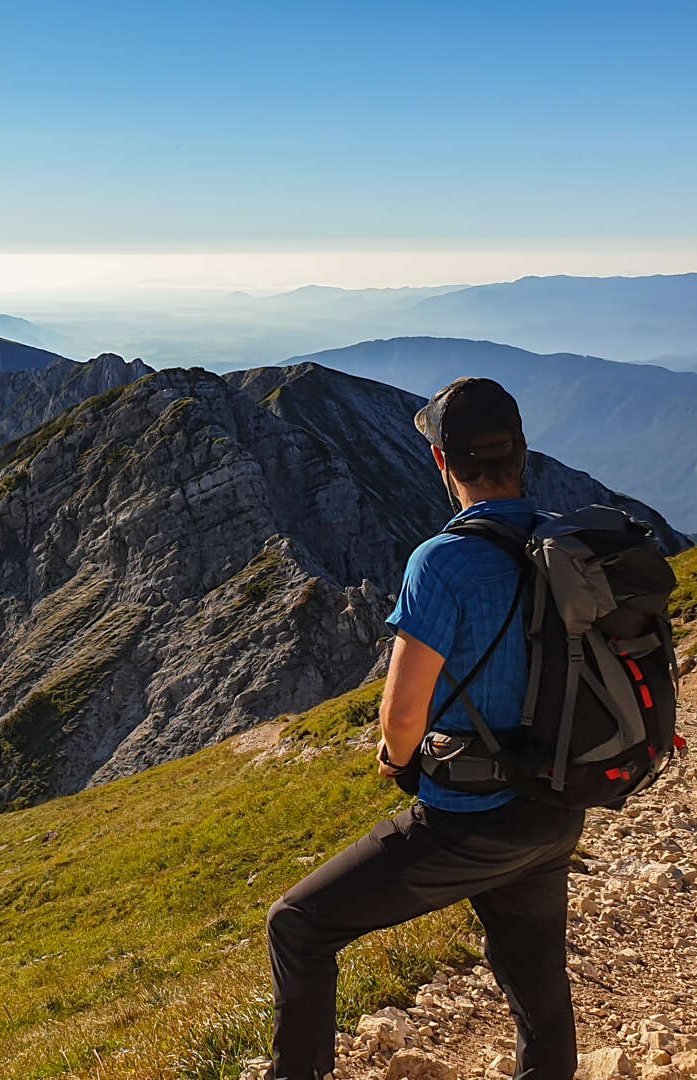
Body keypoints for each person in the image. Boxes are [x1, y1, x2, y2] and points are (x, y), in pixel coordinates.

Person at [265, 377, 586, 1080]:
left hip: (467, 820)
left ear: (442, 464)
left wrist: (396, 757)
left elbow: (403, 714)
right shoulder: (564, 544)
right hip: (556, 808)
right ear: (523, 452)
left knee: (298, 924)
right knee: (538, 988)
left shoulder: (442, 561)